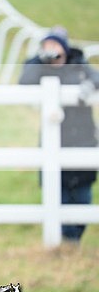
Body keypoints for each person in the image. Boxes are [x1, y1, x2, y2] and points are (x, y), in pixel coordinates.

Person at [19, 27, 99, 243]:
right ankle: (63, 240)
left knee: (82, 193)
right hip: (54, 140)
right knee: (57, 189)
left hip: (83, 138)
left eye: (54, 45)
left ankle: (74, 238)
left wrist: (89, 85)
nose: (50, 50)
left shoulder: (79, 63)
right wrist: (40, 60)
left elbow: (96, 77)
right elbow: (24, 82)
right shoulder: (40, 67)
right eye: (46, 46)